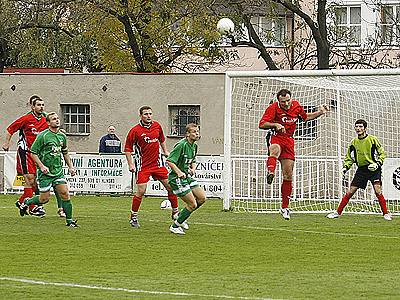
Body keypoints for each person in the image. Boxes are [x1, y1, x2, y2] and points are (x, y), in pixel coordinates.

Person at [259, 88, 329, 220]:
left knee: (288, 175)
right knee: (274, 150)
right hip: (276, 136)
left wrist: (320, 112)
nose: (286, 104)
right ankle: (271, 172)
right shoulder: (273, 108)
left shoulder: (296, 106)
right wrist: (275, 125)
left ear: (291, 98)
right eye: (283, 102)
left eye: (287, 100)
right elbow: (262, 124)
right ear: (278, 101)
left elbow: (306, 117)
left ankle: (285, 208)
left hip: (289, 140)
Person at [18, 112, 79, 227]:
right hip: (44, 173)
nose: (57, 120)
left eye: (57, 118)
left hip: (58, 171)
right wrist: (41, 166)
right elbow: (33, 153)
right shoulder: (43, 136)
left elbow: (65, 153)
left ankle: (70, 221)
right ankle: (26, 202)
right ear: (48, 123)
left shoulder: (62, 136)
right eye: (53, 119)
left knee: (65, 193)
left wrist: (71, 167)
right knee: (44, 199)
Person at [124, 106, 180, 228]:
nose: (149, 116)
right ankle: (133, 216)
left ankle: (175, 212)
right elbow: (128, 149)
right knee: (141, 191)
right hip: (143, 166)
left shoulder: (157, 126)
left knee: (171, 187)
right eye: (146, 114)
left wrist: (165, 151)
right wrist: (130, 164)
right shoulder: (135, 131)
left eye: (150, 114)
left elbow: (162, 139)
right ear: (140, 116)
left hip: (158, 164)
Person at [327, 119, 392, 221]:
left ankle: (386, 213)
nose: (358, 129)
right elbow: (350, 158)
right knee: (350, 191)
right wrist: (345, 167)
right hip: (361, 170)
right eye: (357, 127)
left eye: (361, 127)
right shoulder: (354, 142)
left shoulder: (373, 139)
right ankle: (337, 212)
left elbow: (382, 153)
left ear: (365, 128)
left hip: (374, 169)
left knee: (377, 191)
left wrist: (378, 164)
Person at [3, 95, 48, 217]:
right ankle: (33, 208)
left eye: (43, 105)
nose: (41, 107)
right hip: (25, 153)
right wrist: (6, 143)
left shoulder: (45, 119)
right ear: (32, 107)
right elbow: (10, 129)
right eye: (38, 105)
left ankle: (22, 201)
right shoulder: (26, 119)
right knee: (30, 180)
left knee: (34, 183)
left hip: (37, 154)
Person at [168, 123, 206, 235]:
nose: (197, 133)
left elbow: (193, 160)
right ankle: (175, 226)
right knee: (192, 204)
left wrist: (193, 168)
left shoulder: (194, 146)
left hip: (187, 176)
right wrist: (179, 172)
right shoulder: (181, 145)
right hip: (176, 178)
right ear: (187, 134)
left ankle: (181, 217)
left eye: (197, 131)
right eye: (194, 132)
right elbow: (170, 161)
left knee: (202, 198)